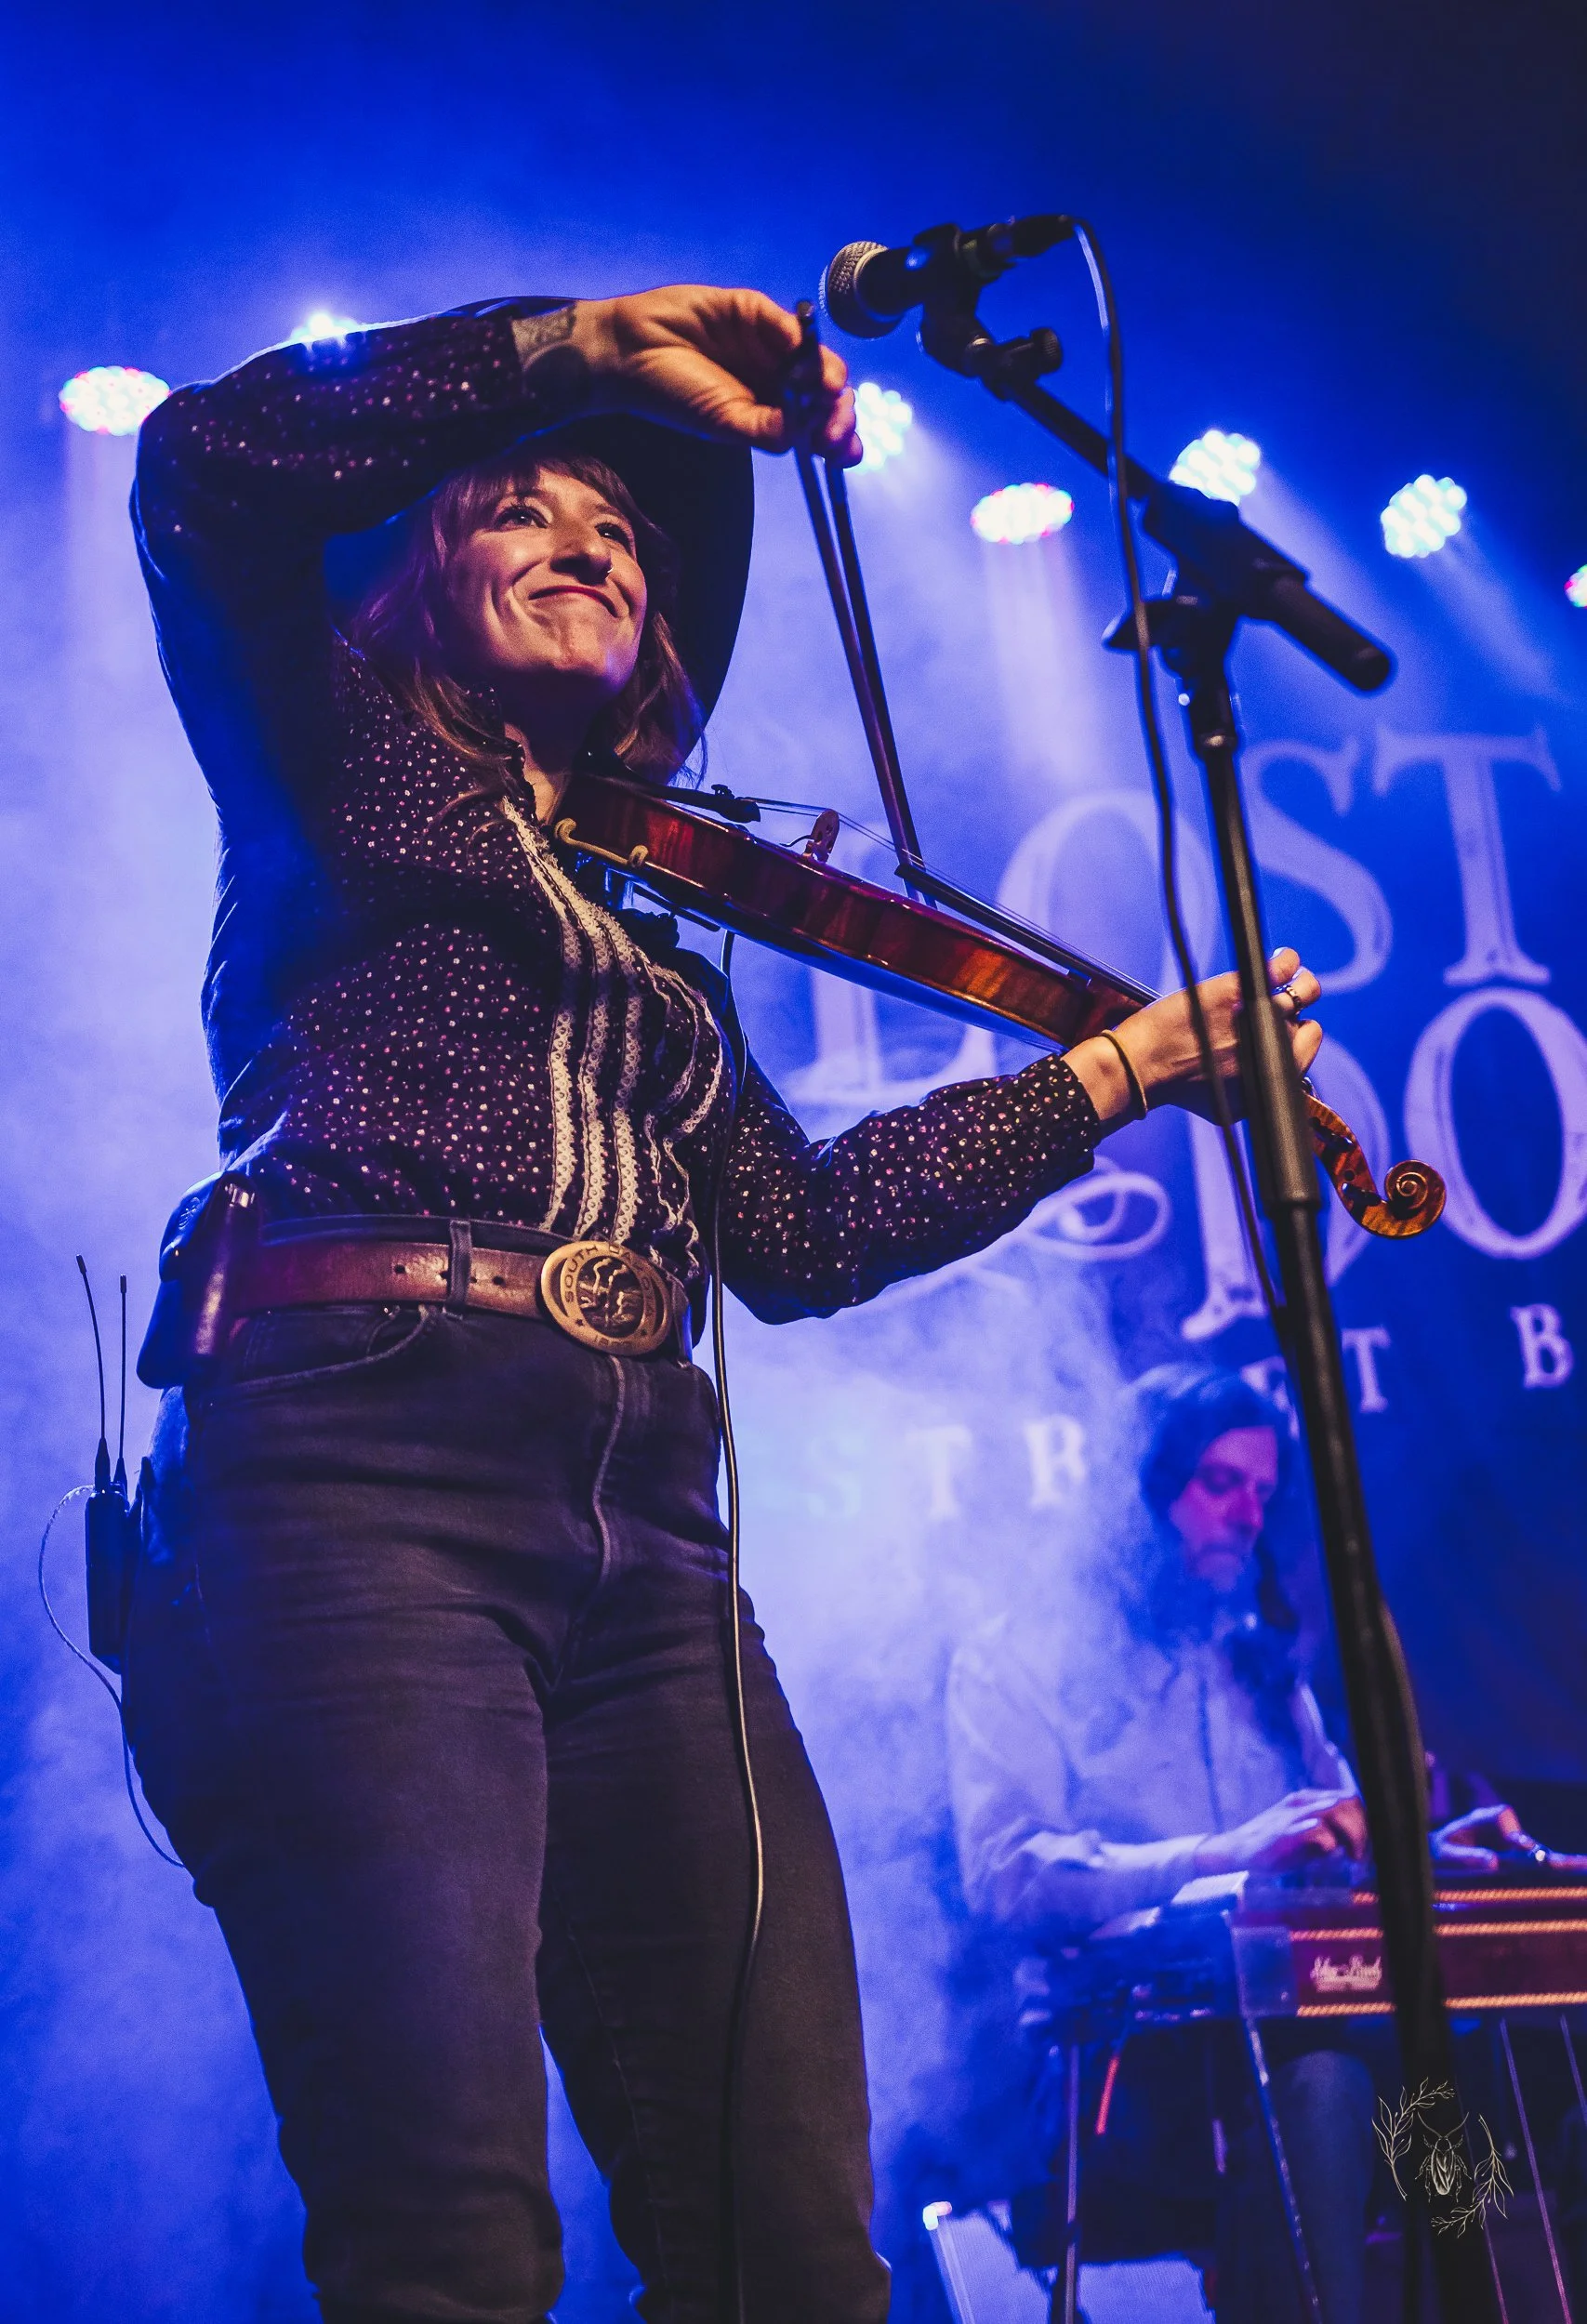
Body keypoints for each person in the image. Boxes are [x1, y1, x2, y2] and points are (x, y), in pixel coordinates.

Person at [121, 283, 1325, 2324]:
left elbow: (805, 1231)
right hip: (356, 1473)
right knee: (451, 2234)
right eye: (518, 509)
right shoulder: (323, 754)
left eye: (619, 528)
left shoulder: (661, 955)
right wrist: (573, 349)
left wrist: (1120, 1070)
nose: (590, 538)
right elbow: (205, 469)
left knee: (789, 2240)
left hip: (652, 1534)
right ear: (407, 580)